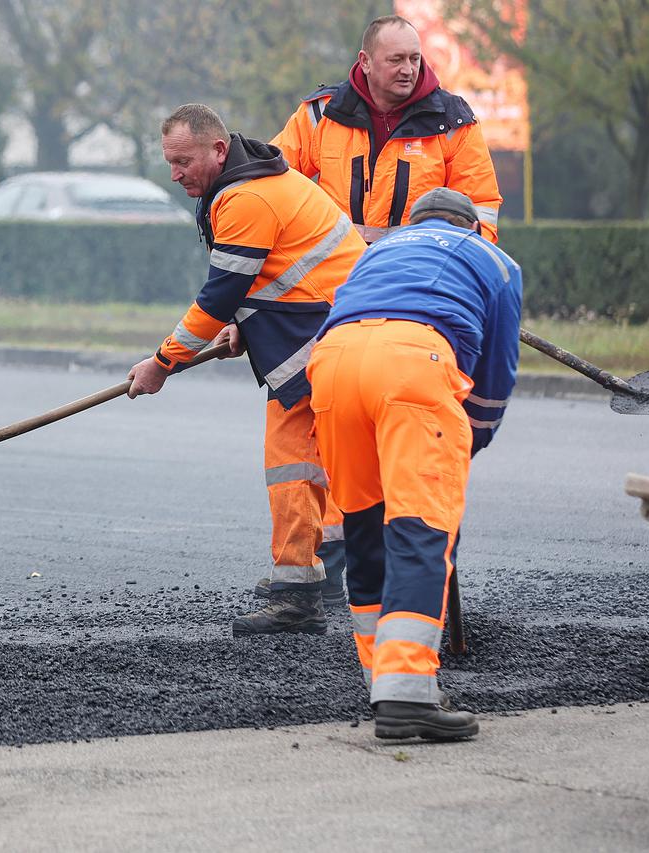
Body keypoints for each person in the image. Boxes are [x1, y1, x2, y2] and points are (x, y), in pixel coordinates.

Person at [127, 104, 366, 635]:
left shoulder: (245, 198)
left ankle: (298, 597)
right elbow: (276, 268)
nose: (175, 174)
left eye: (183, 161)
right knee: (316, 459)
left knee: (291, 461)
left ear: (217, 150)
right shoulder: (251, 183)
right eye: (170, 162)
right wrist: (248, 321)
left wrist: (163, 363)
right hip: (334, 326)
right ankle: (317, 576)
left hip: (324, 336)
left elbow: (219, 295)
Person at [305, 187, 522, 739]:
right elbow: (494, 374)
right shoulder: (494, 260)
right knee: (420, 528)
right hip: (411, 365)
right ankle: (408, 696)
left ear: (413, 223)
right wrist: (472, 439)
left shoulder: (377, 252)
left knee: (364, 528)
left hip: (331, 365)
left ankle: (385, 681)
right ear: (472, 227)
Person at [271, 15, 503, 244]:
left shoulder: (453, 121)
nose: (408, 70)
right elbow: (272, 178)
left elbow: (480, 208)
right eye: (396, 60)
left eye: (414, 59)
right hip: (334, 274)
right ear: (365, 62)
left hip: (416, 272)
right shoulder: (323, 113)